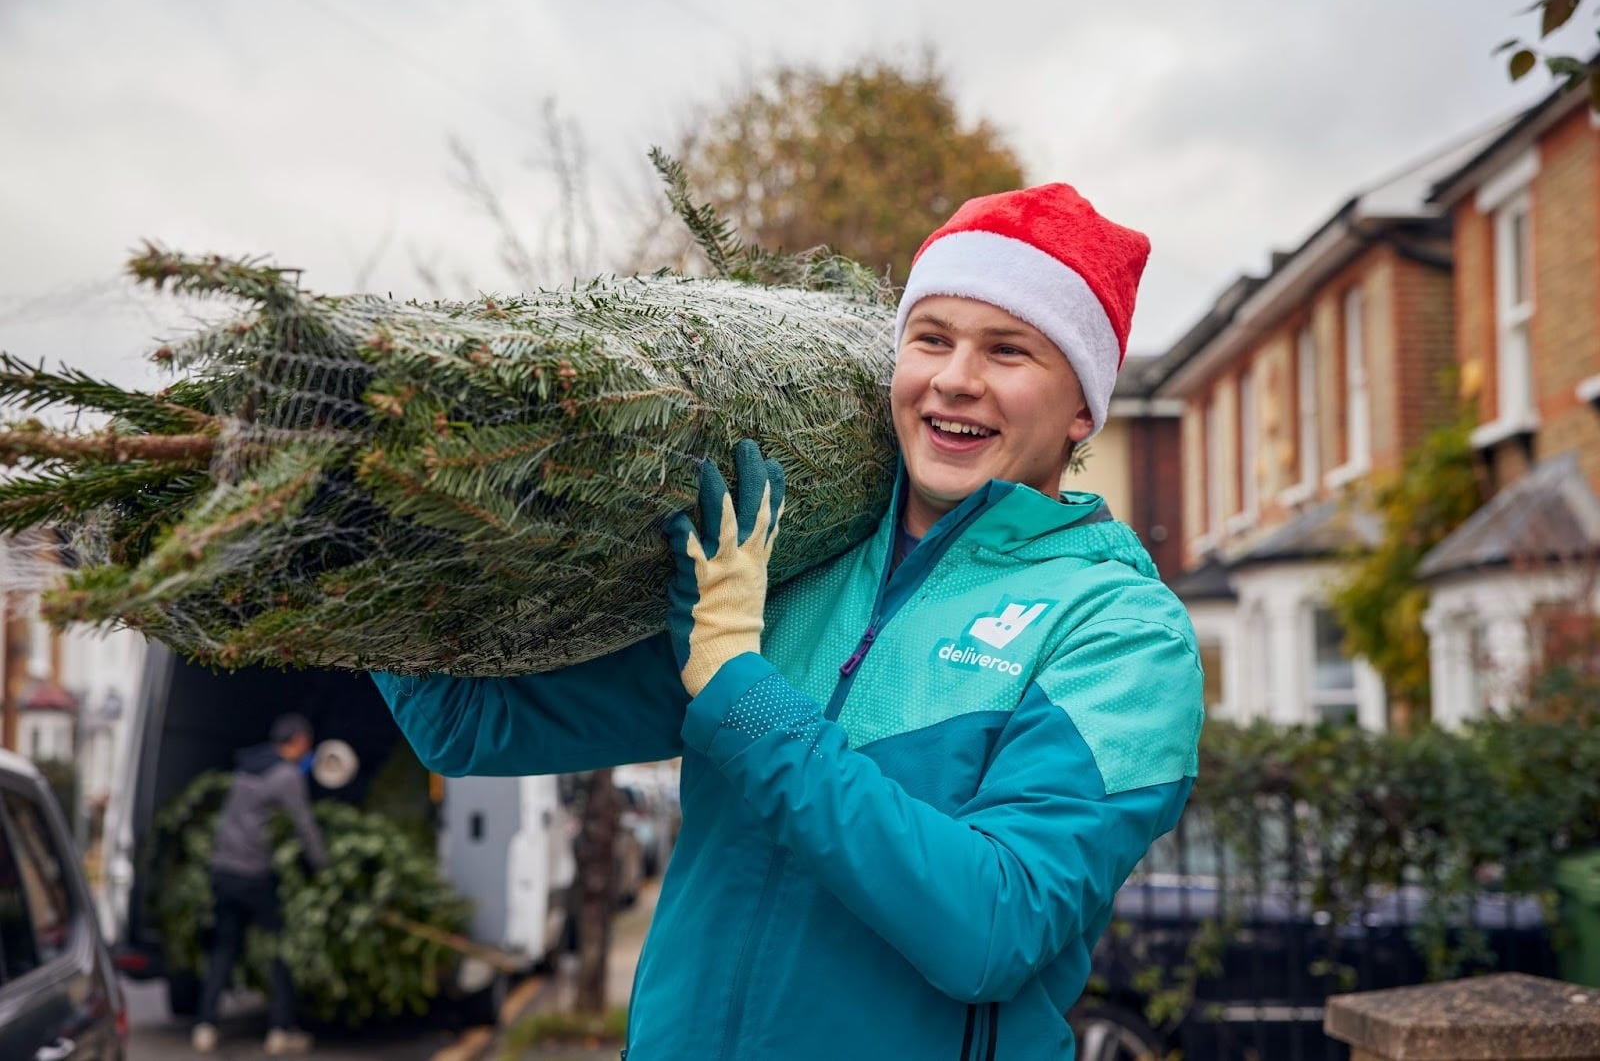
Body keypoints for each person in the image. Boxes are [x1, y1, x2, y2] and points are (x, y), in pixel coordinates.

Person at [373, 183, 1204, 1059]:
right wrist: (365, 545)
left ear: (1082, 407)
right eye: (931, 338)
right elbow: (465, 724)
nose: (955, 379)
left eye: (1009, 351)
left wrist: (741, 686)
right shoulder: (782, 561)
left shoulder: (1123, 633)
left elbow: (992, 927)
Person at [192, 712, 329, 1056]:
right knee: (277, 948)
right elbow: (304, 824)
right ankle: (281, 1029)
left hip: (223, 870)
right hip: (255, 875)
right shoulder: (286, 775)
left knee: (223, 949)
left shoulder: (246, 767)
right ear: (297, 741)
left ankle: (205, 1026)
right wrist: (322, 865)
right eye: (306, 746)